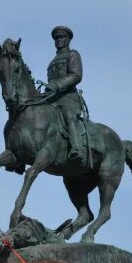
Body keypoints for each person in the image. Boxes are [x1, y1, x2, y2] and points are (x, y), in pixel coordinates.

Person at [43, 25, 86, 161]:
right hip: (52, 98)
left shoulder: (73, 54)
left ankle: (77, 147)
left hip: (68, 98)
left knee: (68, 115)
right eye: (56, 38)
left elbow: (76, 75)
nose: (59, 40)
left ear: (68, 40)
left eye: (62, 37)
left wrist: (56, 85)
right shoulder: (52, 62)